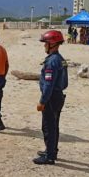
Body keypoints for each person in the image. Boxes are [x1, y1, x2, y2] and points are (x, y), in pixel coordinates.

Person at [34, 30, 68, 165]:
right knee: (54, 125)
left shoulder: (52, 62)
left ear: (52, 44)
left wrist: (42, 101)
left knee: (48, 126)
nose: (44, 46)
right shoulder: (60, 59)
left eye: (45, 44)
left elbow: (48, 85)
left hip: (51, 98)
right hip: (58, 96)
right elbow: (65, 82)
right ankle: (52, 150)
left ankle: (49, 156)